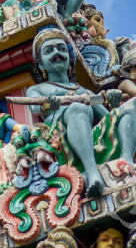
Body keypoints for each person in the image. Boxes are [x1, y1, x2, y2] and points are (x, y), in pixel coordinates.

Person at [26, 29, 136, 197]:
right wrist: (48, 104)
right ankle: (92, 173)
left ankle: (126, 160)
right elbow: (34, 107)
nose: (57, 53)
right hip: (60, 142)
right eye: (49, 51)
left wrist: (114, 105)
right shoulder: (37, 89)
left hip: (89, 138)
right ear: (41, 64)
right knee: (79, 108)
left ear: (70, 57)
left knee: (132, 105)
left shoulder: (84, 91)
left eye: (62, 49)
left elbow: (106, 119)